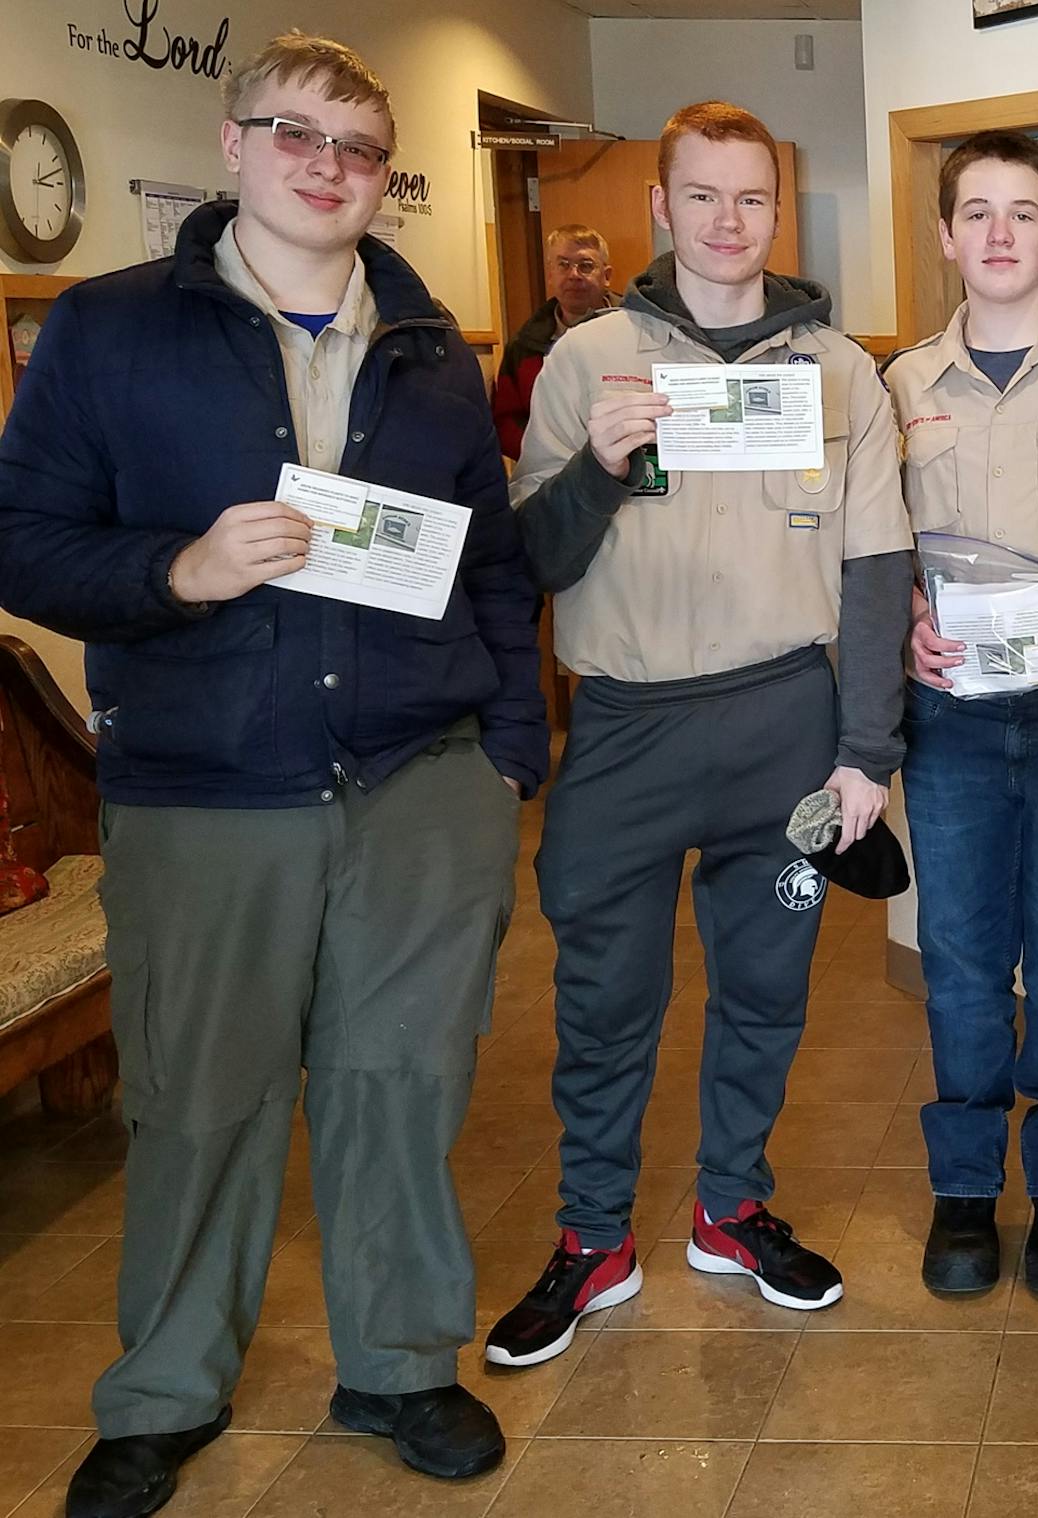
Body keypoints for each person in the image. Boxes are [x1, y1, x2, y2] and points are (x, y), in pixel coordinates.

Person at [0, 32, 547, 1516]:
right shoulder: (108, 331)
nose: (328, 167)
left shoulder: (434, 351)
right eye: (296, 135)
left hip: (417, 786)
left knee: (401, 1090)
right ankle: (166, 1390)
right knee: (197, 1098)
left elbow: (488, 571)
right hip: (203, 793)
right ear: (233, 146)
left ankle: (397, 1364)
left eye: (360, 151)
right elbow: (23, 538)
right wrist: (177, 567)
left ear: (384, 181)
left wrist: (504, 755)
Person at [483, 100, 913, 1368]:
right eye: (704, 196)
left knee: (767, 992)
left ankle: (732, 1210)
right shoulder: (586, 363)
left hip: (784, 723)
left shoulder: (837, 372)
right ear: (659, 209)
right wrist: (598, 468)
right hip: (623, 730)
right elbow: (532, 561)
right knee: (606, 999)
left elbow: (878, 570)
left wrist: (869, 751)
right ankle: (591, 1240)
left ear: (777, 213)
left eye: (754, 198)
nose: (731, 222)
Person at [882, 131, 1038, 1297]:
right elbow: (868, 551)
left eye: (1022, 213)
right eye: (976, 212)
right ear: (946, 236)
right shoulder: (894, 388)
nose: (999, 234)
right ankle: (967, 1192)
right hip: (954, 729)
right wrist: (900, 629)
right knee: (963, 961)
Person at [493, 224, 618, 459]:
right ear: (550, 274)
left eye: (586, 266)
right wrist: (546, 454)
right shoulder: (523, 346)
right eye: (563, 265)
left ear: (607, 275)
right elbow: (506, 421)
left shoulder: (638, 333)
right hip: (551, 477)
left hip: (629, 474)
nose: (573, 274)